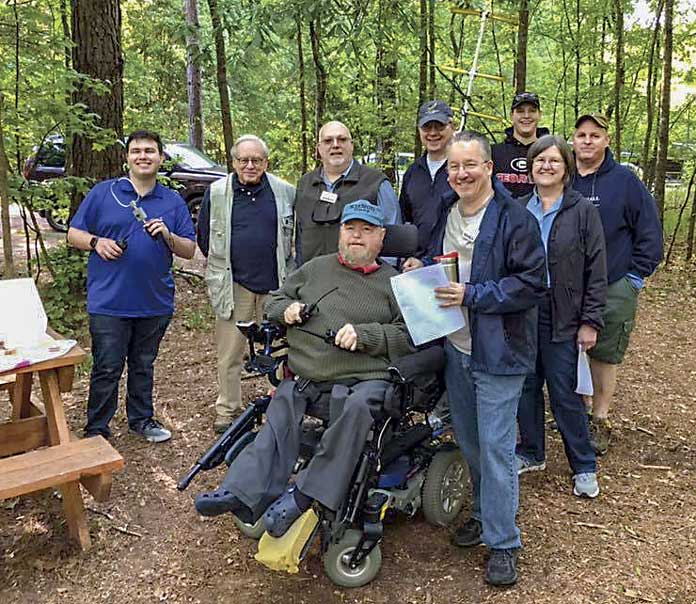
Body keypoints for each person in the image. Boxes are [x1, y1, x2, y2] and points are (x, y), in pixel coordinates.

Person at [194, 200, 415, 538]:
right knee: (282, 405)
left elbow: (408, 335)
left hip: (365, 378)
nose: (357, 236)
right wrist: (287, 311)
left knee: (356, 408)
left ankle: (304, 495)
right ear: (340, 233)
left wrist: (366, 334)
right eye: (351, 228)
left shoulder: (395, 283)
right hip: (307, 372)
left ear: (381, 238)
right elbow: (274, 303)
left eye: (367, 230)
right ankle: (242, 492)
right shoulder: (315, 269)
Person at [409, 131, 546, 586]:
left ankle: (505, 542)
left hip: (500, 351)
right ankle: (486, 514)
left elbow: (530, 284)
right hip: (456, 347)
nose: (462, 173)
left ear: (489, 167)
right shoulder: (445, 211)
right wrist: (420, 267)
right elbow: (439, 261)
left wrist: (473, 294)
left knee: (496, 447)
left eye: (471, 164)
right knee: (469, 442)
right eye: (454, 166)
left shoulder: (514, 218)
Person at [67, 129, 196, 443]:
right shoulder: (103, 193)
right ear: (127, 158)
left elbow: (189, 250)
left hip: (154, 301)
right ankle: (97, 428)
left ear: (161, 158)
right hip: (109, 301)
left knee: (142, 365)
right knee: (107, 367)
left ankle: (142, 420)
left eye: (150, 151)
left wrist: (167, 234)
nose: (143, 156)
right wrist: (96, 242)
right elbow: (73, 233)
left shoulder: (172, 200)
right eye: (136, 150)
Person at [515, 135, 607, 498]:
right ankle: (532, 452)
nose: (546, 166)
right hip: (524, 310)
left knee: (565, 392)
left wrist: (590, 320)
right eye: (540, 161)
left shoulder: (583, 211)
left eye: (554, 160)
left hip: (565, 313)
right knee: (525, 385)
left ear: (566, 168)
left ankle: (583, 465)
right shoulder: (519, 209)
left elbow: (596, 271)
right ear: (531, 167)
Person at [571, 113, 663, 455]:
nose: (588, 141)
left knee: (604, 353)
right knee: (574, 349)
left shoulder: (625, 181)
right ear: (574, 140)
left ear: (606, 140)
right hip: (570, 285)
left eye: (595, 135)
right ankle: (577, 411)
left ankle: (600, 417)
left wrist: (635, 278)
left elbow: (650, 232)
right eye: (581, 135)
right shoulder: (565, 178)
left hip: (614, 283)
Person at [197, 135, 295, 433]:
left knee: (279, 350)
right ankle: (228, 410)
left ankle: (277, 406)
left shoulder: (285, 192)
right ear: (234, 161)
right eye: (244, 160)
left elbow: (295, 239)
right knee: (230, 353)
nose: (250, 165)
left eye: (257, 160)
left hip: (276, 286)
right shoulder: (216, 193)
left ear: (266, 162)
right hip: (234, 285)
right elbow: (204, 238)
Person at [294, 120, 400, 265]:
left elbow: (393, 239)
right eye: (328, 141)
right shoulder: (304, 184)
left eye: (342, 139)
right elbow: (299, 236)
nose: (335, 145)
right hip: (312, 279)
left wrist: (381, 278)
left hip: (360, 280)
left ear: (351, 145)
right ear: (319, 148)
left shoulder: (376, 183)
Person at [399, 100, 455, 257]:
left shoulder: (463, 171)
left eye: (439, 126)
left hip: (454, 262)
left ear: (452, 126)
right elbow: (405, 220)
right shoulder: (412, 172)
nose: (433, 133)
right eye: (427, 127)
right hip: (417, 263)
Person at [492, 91, 549, 198]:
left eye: (532, 111)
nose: (526, 116)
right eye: (520, 111)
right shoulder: (493, 153)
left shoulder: (550, 154)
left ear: (539, 115)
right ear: (512, 115)